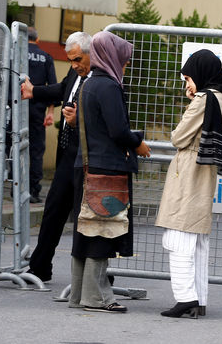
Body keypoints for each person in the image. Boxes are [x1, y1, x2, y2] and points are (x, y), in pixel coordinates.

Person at [155, 49, 222, 318]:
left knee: (179, 235)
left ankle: (185, 298)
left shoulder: (204, 100)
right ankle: (198, 300)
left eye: (188, 79)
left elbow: (178, 137)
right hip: (206, 171)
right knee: (197, 239)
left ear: (200, 74)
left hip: (189, 169)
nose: (187, 85)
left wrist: (193, 101)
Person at [69, 31, 151, 313]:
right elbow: (117, 130)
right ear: (112, 58)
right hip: (107, 169)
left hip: (88, 166)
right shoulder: (109, 87)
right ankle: (98, 297)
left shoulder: (88, 84)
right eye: (123, 61)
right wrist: (138, 142)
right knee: (103, 230)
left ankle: (80, 294)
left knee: (87, 231)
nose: (125, 66)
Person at [21, 31, 92, 283]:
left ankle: (92, 273)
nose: (74, 65)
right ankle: (40, 267)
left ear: (90, 53)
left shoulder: (103, 77)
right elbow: (62, 89)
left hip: (86, 159)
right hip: (66, 156)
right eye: (71, 60)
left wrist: (79, 120)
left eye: (77, 59)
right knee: (53, 211)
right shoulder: (76, 73)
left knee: (85, 218)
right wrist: (34, 92)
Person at [26, 27, 57, 203]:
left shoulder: (16, 53)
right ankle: (34, 190)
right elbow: (52, 86)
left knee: (16, 146)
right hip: (38, 108)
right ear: (37, 40)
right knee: (36, 150)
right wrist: (50, 112)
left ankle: (17, 187)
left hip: (17, 107)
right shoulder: (46, 57)